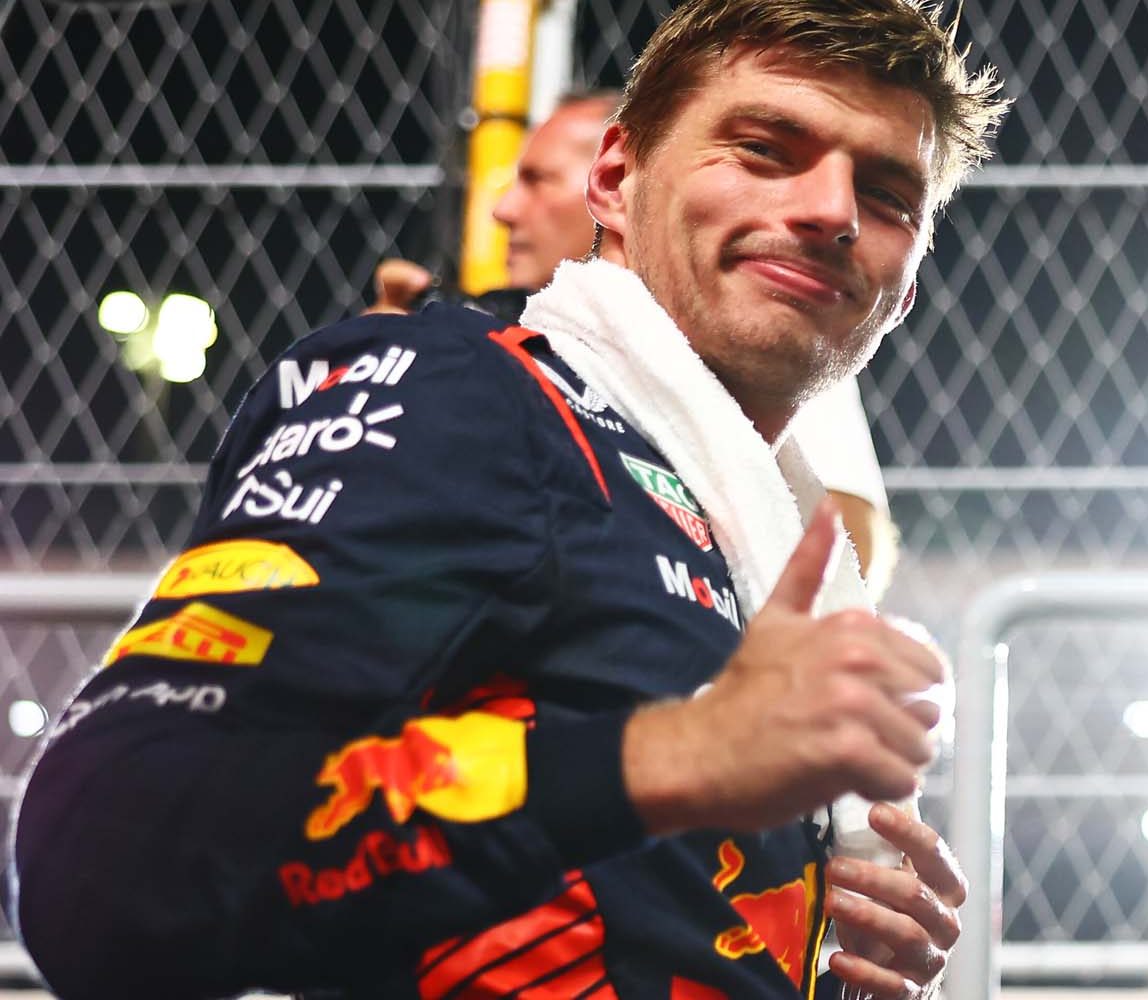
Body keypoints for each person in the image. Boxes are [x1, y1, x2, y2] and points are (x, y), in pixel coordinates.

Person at [12, 2, 1006, 998]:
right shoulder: (465, 395)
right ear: (616, 180)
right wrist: (680, 755)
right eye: (763, 148)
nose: (832, 208)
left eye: (886, 195)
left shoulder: (769, 533)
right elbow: (107, 857)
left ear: (909, 281)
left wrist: (814, 923)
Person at [373, 91, 901, 594]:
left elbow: (851, 554)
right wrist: (391, 373)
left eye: (539, 181)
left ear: (620, 179)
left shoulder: (748, 325)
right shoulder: (488, 334)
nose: (505, 209)